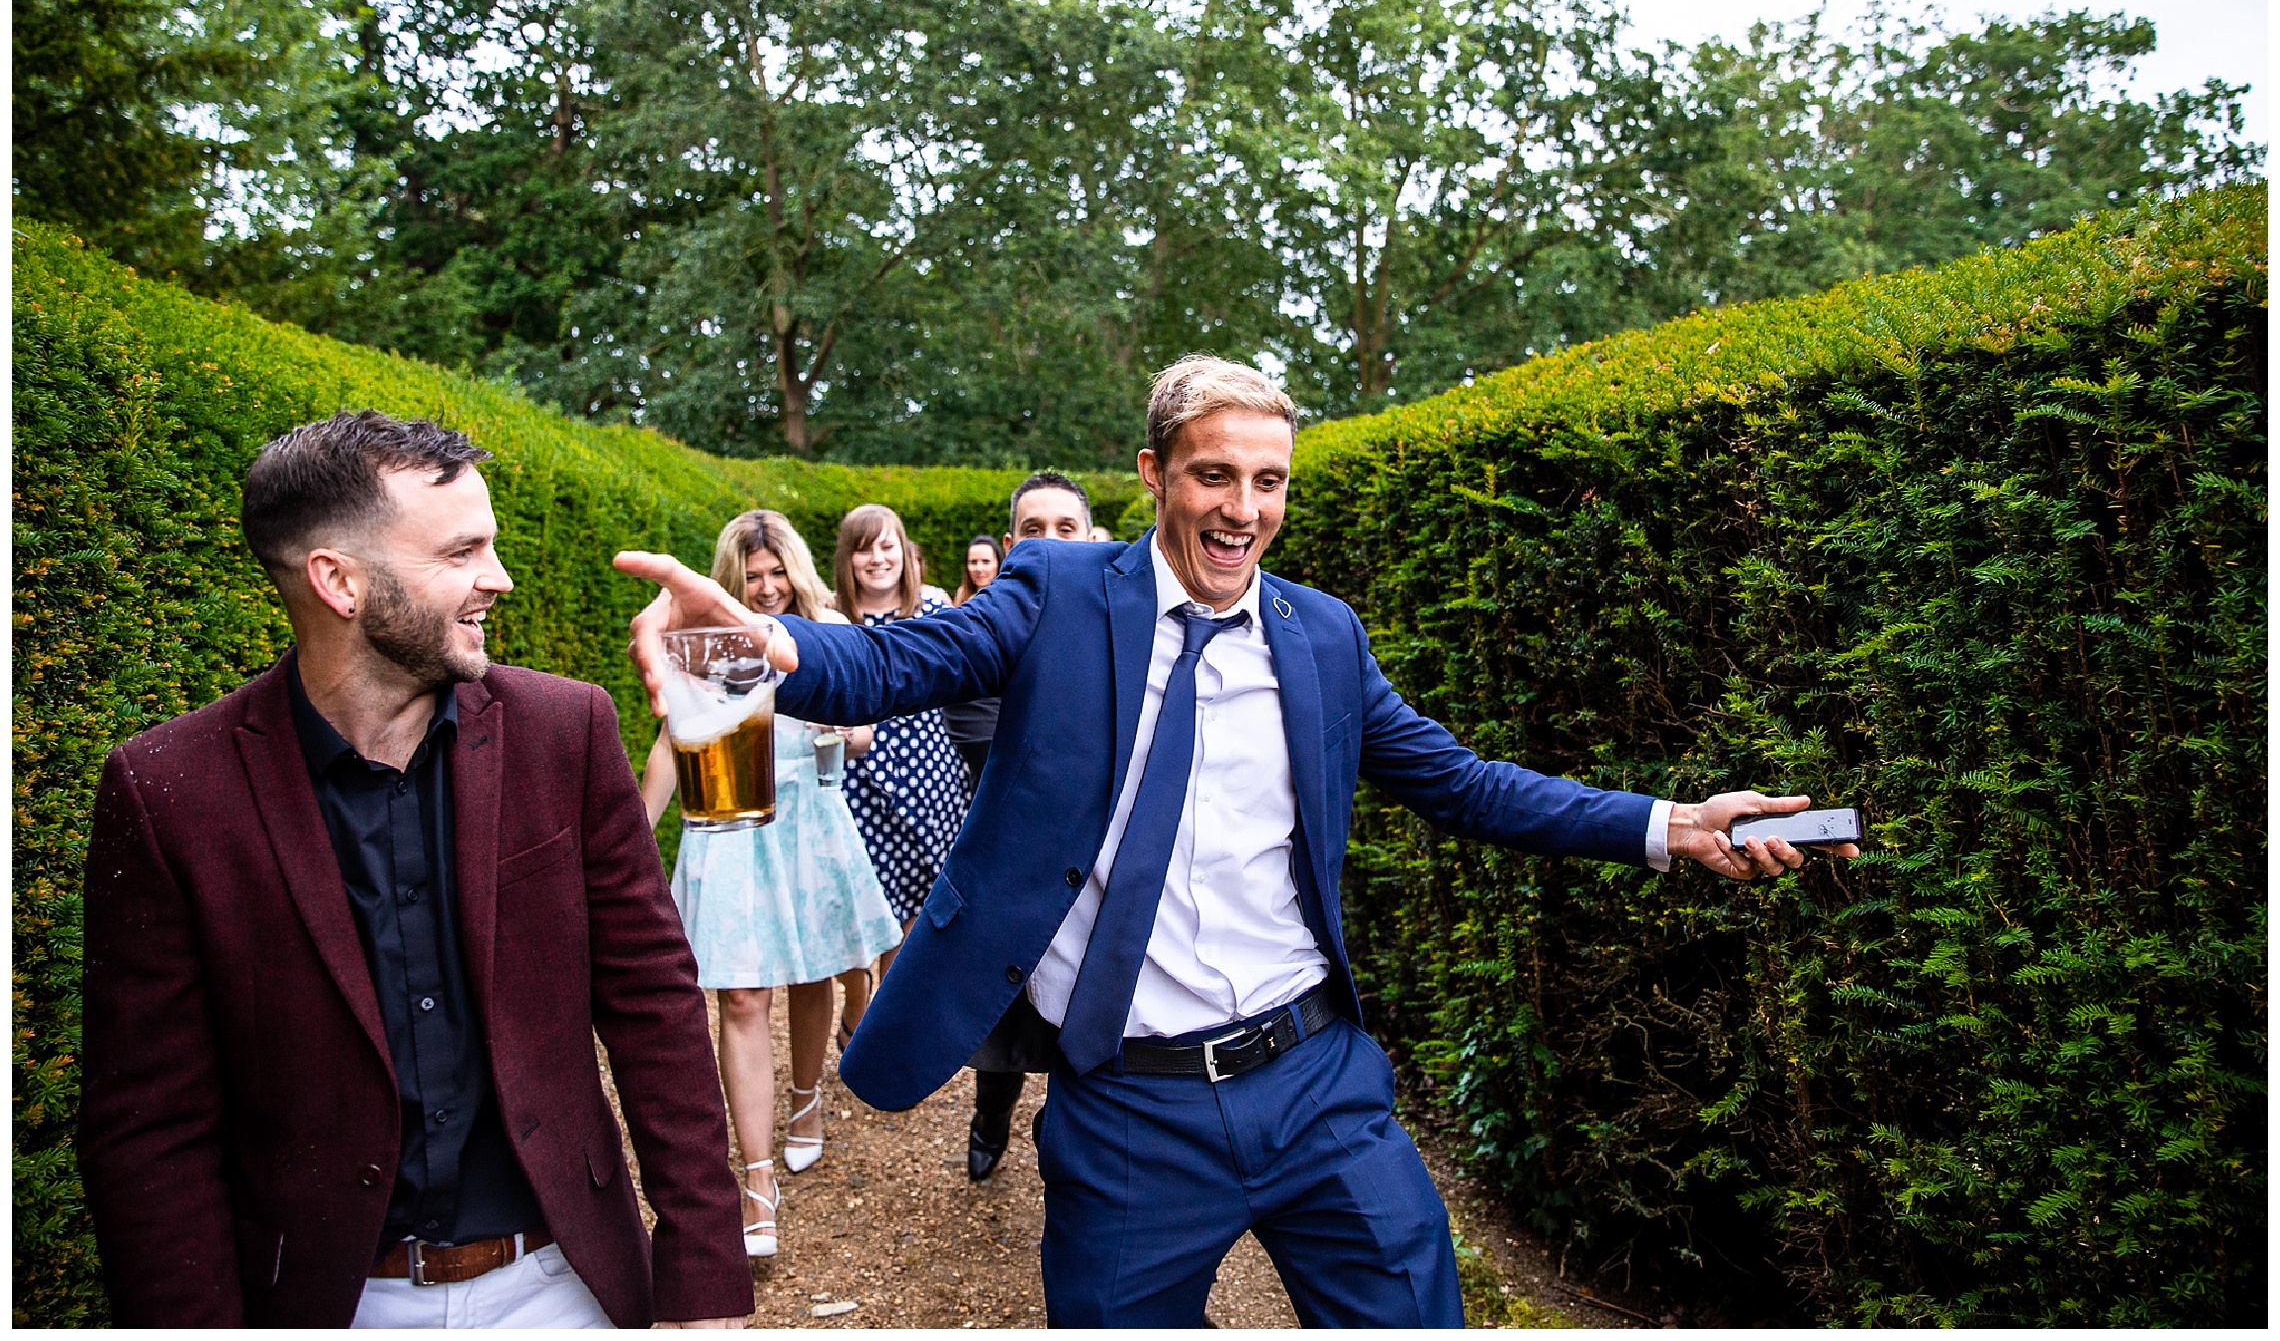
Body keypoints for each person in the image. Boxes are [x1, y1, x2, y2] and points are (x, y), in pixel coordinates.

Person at [615, 357, 1857, 1328]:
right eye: (1216, 476)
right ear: (1154, 474)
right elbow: (899, 658)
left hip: (1317, 1084)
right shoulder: (1056, 596)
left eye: (1269, 482)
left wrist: (1669, 824)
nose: (1244, 508)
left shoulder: (1324, 638)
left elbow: (1464, 783)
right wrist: (758, 647)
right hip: (1126, 1108)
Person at [81, 410, 752, 1329]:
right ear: (339, 581)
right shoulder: (168, 793)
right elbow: (147, 1131)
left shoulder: (568, 732)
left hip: (564, 1283)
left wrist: (703, 1281)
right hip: (327, 1302)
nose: (499, 579)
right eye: (461, 552)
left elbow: (654, 1006)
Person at [638, 510, 901, 1258]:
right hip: (727, 818)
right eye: (752, 576)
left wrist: (840, 727)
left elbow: (862, 733)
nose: (766, 586)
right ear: (732, 579)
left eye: (776, 571)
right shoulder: (708, 641)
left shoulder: (824, 630)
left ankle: (806, 1097)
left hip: (809, 818)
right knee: (743, 993)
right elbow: (670, 742)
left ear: (796, 569)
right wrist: (626, 843)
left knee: (812, 972)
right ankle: (756, 1179)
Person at [955, 473, 1096, 1182]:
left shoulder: (1125, 637)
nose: (1048, 546)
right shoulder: (982, 635)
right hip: (1013, 866)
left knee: (1091, 1034)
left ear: (1093, 541)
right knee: (1005, 1027)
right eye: (1032, 531)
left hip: (1098, 877)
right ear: (1010, 548)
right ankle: (991, 1117)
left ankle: (1075, 1157)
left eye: (1064, 530)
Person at [829, 504, 973, 965]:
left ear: (904, 552)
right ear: (846, 559)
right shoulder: (831, 617)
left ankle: (898, 1029)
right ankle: (859, 1012)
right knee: (872, 914)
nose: (877, 558)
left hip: (930, 773)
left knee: (925, 914)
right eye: (863, 549)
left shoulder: (932, 607)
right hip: (859, 783)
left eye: (887, 546)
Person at [953, 533, 1002, 605]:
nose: (979, 568)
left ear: (998, 563)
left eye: (986, 562)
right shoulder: (963, 593)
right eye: (973, 562)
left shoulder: (1006, 595)